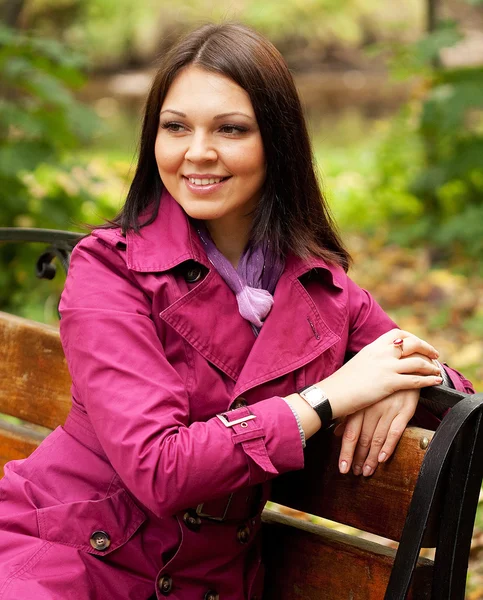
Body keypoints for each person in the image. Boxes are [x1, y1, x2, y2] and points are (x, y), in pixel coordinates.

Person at [0, 22, 474, 600]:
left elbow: (453, 392)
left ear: (276, 142)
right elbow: (160, 469)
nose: (198, 153)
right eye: (176, 127)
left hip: (208, 583)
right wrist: (328, 398)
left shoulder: (318, 286)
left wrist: (402, 379)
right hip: (67, 563)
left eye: (230, 129)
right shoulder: (112, 270)